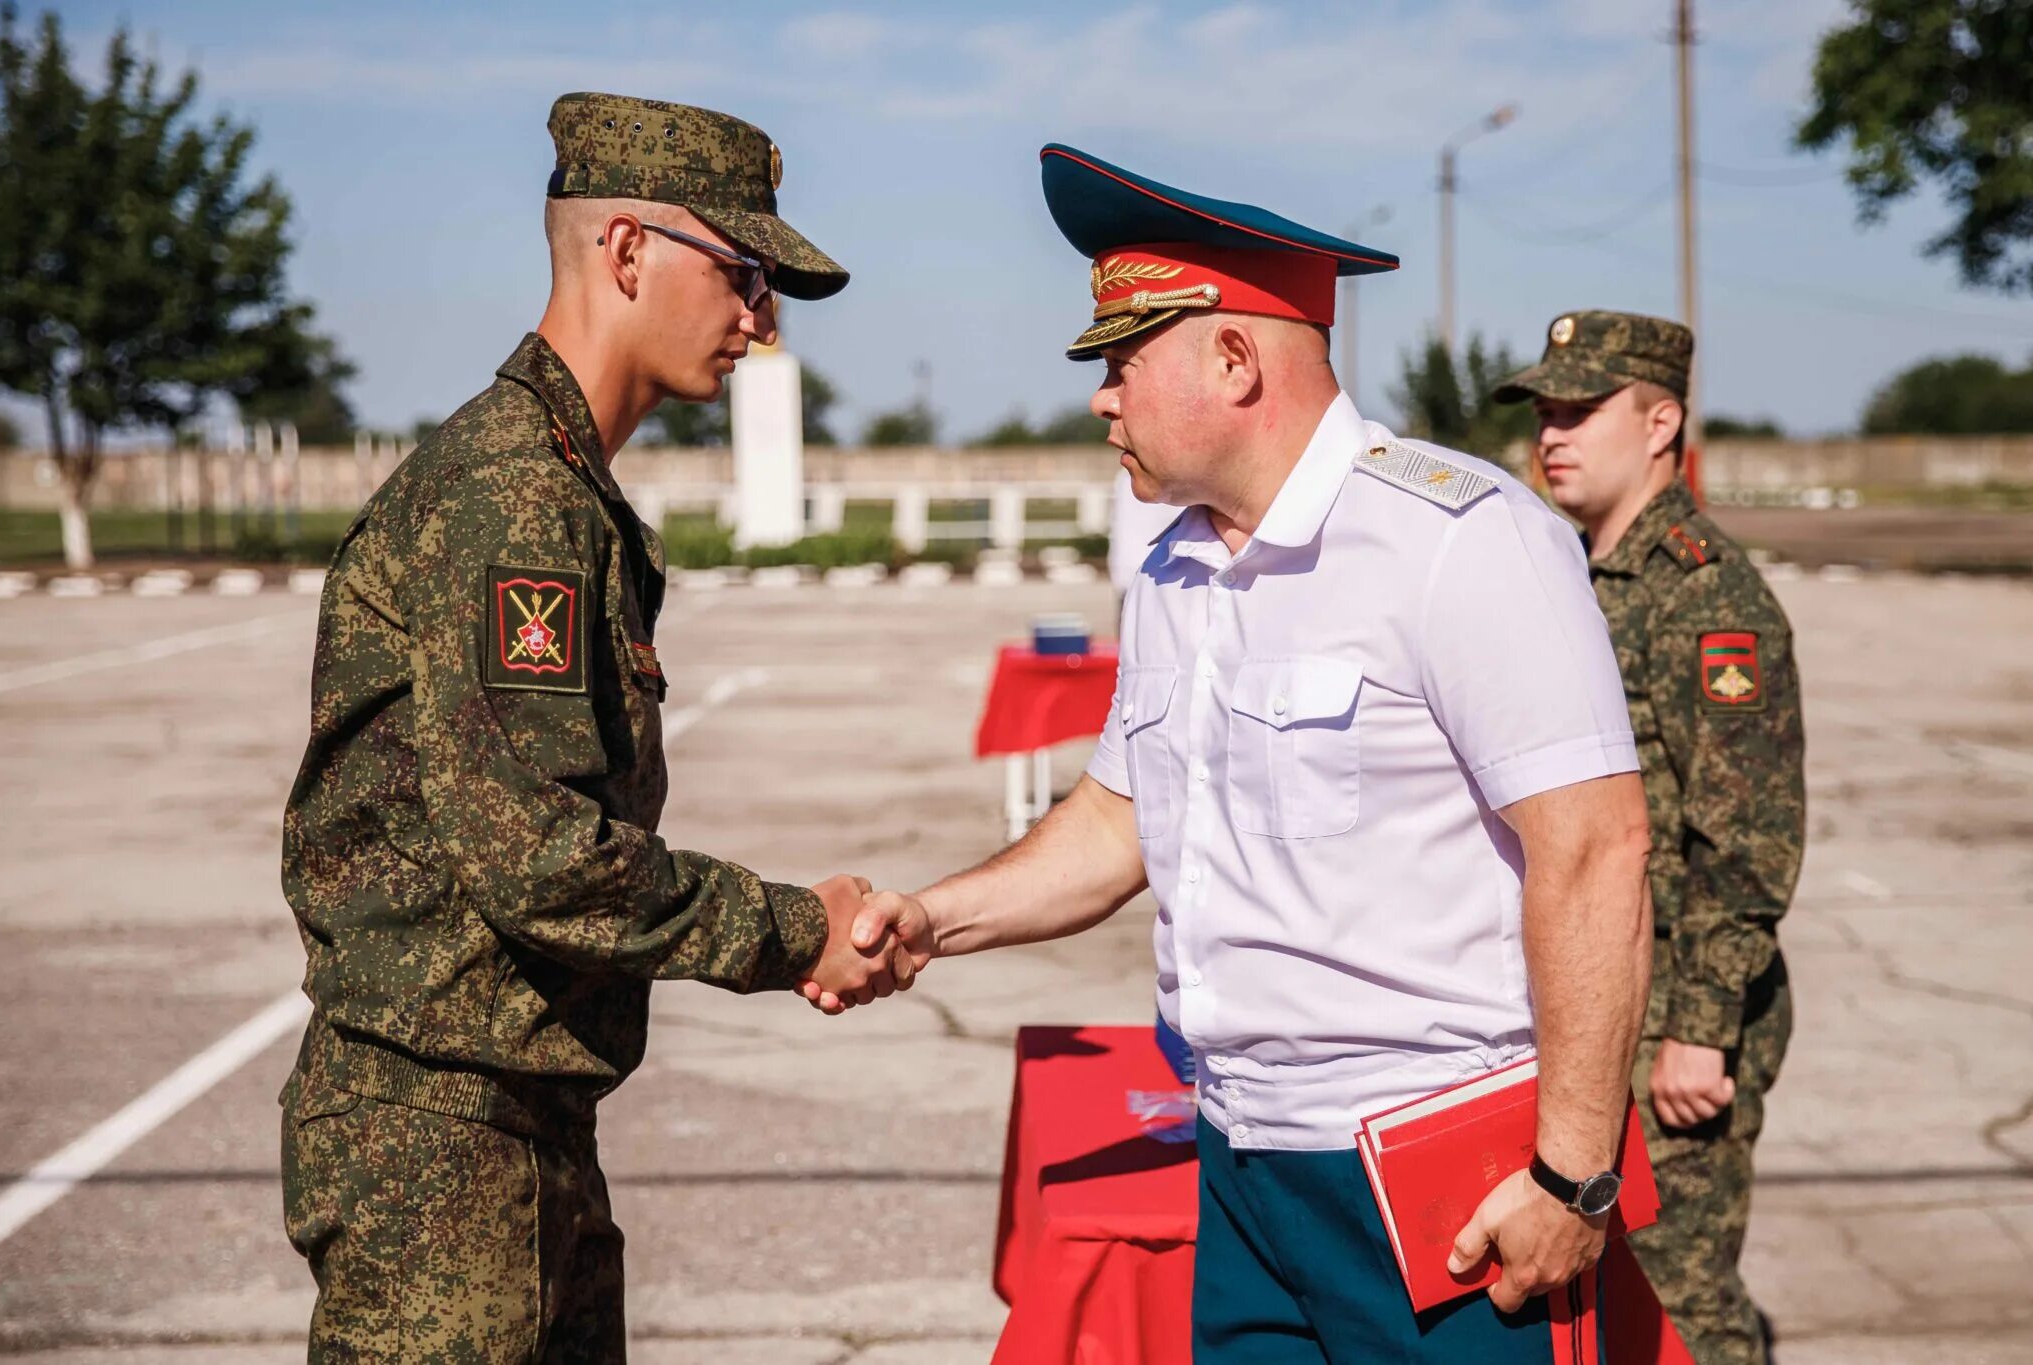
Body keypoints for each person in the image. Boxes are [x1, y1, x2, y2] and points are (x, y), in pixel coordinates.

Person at [825, 145, 1655, 1362]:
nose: (1100, 398)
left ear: (1232, 357)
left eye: (1122, 361)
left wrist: (1572, 1175)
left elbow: (1592, 851)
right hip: (1242, 1161)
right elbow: (1118, 822)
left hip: (1441, 1181)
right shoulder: (1173, 570)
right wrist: (927, 922)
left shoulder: (1459, 542)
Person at [277, 92, 905, 1363]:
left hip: (510, 1116)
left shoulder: (555, 484)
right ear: (625, 251)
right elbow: (540, 855)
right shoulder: (516, 495)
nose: (760, 318)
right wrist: (796, 931)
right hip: (443, 1140)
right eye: (739, 272)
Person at [1494, 311, 1804, 1365]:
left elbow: (1747, 836)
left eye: (1580, 411)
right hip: (1597, 990)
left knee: (1678, 1297)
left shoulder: (1706, 598)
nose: (1553, 435)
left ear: (1660, 421)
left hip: (1677, 1010)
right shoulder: (1576, 573)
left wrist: (1702, 1029)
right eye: (1544, 414)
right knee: (1602, 1291)